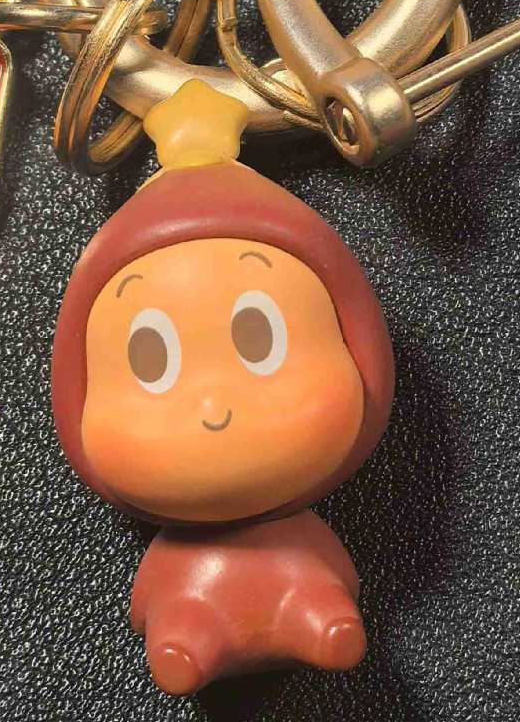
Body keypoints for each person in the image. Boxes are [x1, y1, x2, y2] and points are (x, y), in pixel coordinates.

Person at [51, 77, 396, 694]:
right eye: (150, 360)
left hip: (303, 572)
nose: (214, 407)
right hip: (188, 590)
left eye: (259, 341)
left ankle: (321, 625)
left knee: (321, 605)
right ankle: (189, 644)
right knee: (185, 621)